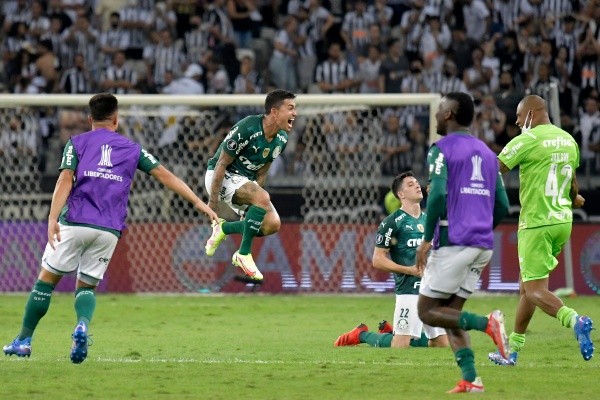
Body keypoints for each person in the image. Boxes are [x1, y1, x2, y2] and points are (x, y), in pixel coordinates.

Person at [2, 93, 219, 363]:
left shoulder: (76, 142)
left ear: (90, 119)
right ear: (116, 119)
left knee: (45, 283)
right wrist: (198, 202)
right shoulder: (132, 148)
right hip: (108, 229)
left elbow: (65, 178)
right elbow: (165, 175)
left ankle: (23, 341)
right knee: (86, 287)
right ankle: (82, 326)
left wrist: (52, 218)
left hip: (75, 222)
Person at [415, 92, 510, 393]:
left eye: (440, 107)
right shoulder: (488, 153)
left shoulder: (441, 149)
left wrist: (426, 240)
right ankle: (471, 378)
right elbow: (503, 205)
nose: (436, 113)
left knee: (426, 311)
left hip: (453, 241)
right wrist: (480, 229)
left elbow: (437, 194)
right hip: (482, 245)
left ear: (449, 114)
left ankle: (487, 324)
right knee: (450, 315)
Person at [489, 94, 594, 366]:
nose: (516, 122)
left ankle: (575, 321)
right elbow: (572, 182)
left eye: (518, 116)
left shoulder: (527, 140)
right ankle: (512, 351)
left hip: (536, 222)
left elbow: (495, 167)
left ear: (531, 114)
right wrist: (574, 198)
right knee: (527, 288)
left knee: (535, 290)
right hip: (563, 221)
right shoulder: (568, 140)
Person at [334, 171, 449, 349]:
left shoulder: (429, 220)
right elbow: (378, 259)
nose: (417, 185)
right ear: (401, 194)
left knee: (441, 343)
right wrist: (409, 270)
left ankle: (392, 332)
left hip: (431, 289)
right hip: (408, 290)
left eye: (416, 182)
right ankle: (362, 334)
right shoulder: (392, 222)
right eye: (410, 184)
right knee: (400, 345)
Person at [204, 89, 297, 280]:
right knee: (263, 197)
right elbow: (222, 163)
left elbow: (262, 172)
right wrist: (213, 202)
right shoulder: (247, 128)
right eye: (290, 108)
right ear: (274, 112)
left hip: (245, 182)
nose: (294, 113)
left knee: (272, 224)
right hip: (220, 176)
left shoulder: (281, 139)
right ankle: (243, 254)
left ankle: (224, 229)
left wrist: (254, 204)